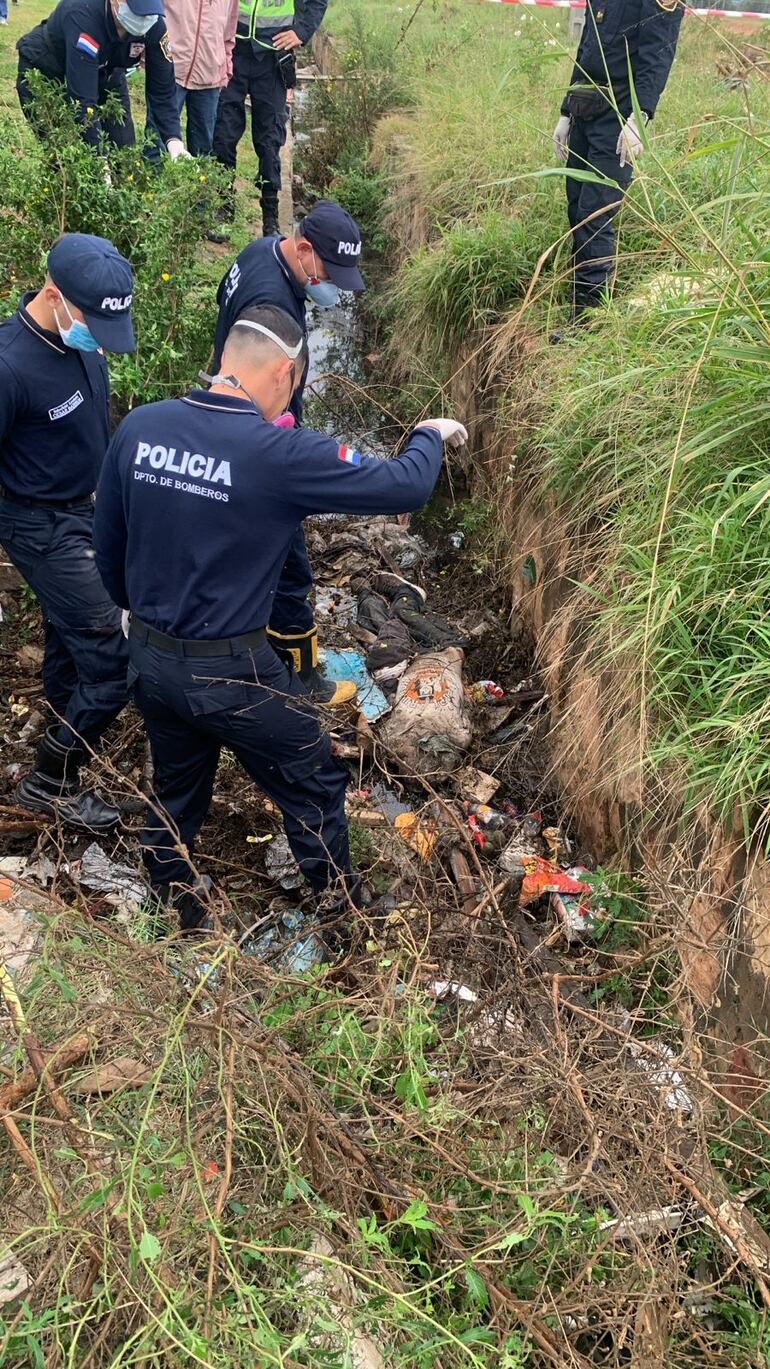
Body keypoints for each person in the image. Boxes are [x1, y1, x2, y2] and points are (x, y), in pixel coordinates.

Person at [93, 304, 466, 934]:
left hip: (153, 661)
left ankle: (174, 911)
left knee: (178, 788)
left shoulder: (140, 428)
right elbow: (404, 485)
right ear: (286, 372)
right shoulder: (276, 451)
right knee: (314, 775)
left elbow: (108, 549)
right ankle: (341, 913)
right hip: (233, 673)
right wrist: (430, 433)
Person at [0, 234, 136, 831]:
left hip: (89, 508)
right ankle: (49, 778)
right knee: (116, 654)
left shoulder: (80, 339)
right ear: (54, 295)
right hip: (37, 521)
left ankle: (61, 717)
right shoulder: (9, 366)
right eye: (91, 323)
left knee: (71, 630)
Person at [213, 200, 365, 707]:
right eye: (328, 271)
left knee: (252, 555)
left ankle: (254, 649)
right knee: (290, 565)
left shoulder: (260, 252)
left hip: (233, 417)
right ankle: (300, 680)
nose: (333, 285)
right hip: (255, 436)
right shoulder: (270, 301)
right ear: (303, 250)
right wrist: (280, 437)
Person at [551, 0, 683, 330]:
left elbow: (659, 53)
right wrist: (566, 111)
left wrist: (640, 118)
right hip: (586, 108)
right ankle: (580, 304)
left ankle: (587, 324)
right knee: (576, 207)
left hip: (619, 117)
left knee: (594, 217)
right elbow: (587, 48)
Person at [210, 0, 328, 239]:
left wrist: (301, 31)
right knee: (223, 132)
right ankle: (223, 205)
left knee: (269, 141)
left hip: (273, 57)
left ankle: (270, 219)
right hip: (234, 50)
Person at [16, 0, 189, 159]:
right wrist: (99, 160)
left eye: (149, 12)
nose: (144, 19)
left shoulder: (152, 23)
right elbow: (82, 101)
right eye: (138, 11)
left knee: (124, 156)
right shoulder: (82, 14)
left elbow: (162, 89)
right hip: (47, 70)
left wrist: (174, 141)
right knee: (69, 156)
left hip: (107, 74)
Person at [145, 0, 239, 157]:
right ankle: (147, 178)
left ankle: (196, 182)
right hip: (170, 70)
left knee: (203, 148)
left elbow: (229, 31)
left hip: (210, 76)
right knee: (157, 142)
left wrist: (225, 67)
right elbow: (153, 15)